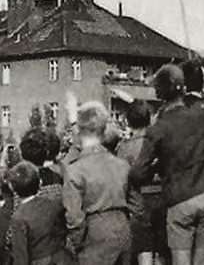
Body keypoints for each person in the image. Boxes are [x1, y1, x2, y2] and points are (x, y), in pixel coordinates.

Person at [130, 61, 204, 265]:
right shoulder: (202, 113)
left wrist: (156, 167)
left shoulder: (158, 129)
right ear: (184, 88)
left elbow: (137, 173)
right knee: (203, 260)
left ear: (159, 93)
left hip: (179, 199)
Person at [63, 101, 131, 265]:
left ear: (79, 130)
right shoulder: (122, 165)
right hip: (123, 229)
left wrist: (78, 244)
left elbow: (74, 217)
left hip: (94, 234)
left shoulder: (75, 171)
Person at [116, 101, 164, 265]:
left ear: (128, 121)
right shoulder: (161, 143)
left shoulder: (124, 149)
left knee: (144, 251)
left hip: (139, 208)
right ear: (149, 119)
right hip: (163, 203)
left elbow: (122, 182)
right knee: (163, 252)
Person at [7, 160, 71, 265]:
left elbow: (21, 256)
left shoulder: (18, 218)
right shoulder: (55, 203)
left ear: (12, 188)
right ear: (40, 183)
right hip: (63, 258)